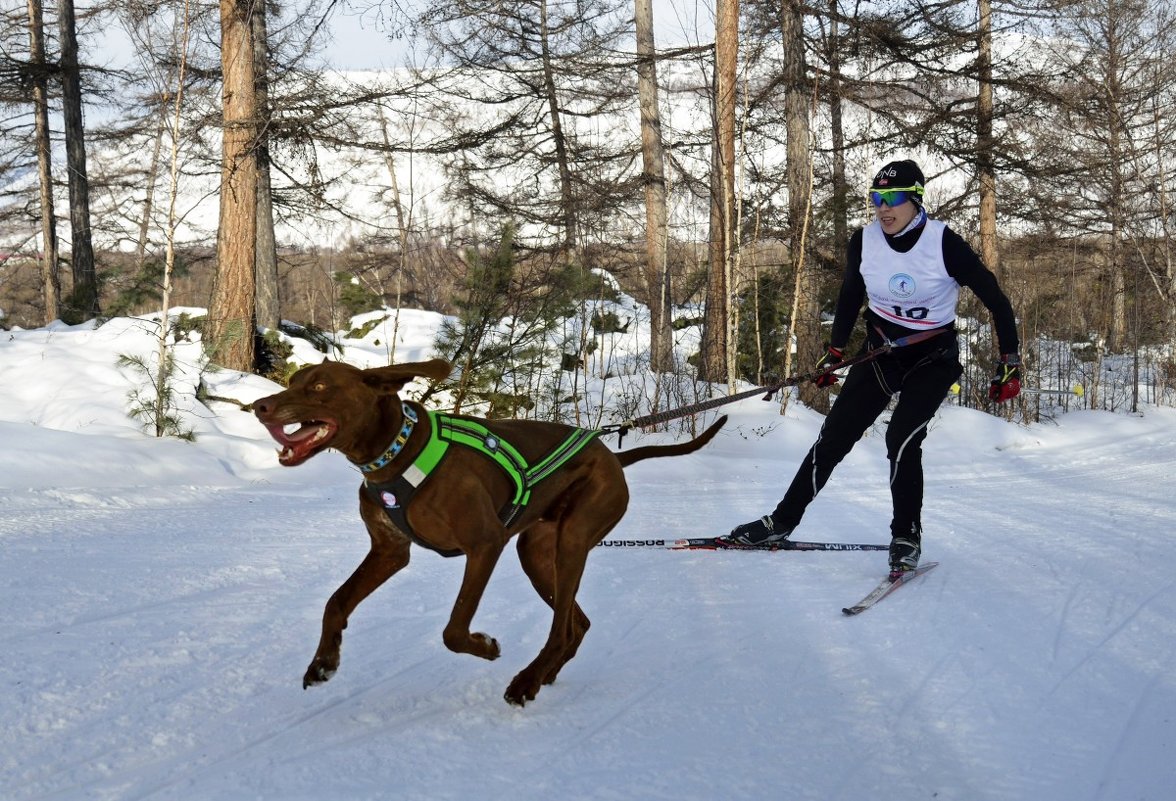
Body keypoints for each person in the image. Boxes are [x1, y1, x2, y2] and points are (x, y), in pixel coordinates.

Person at [719, 159, 1021, 577]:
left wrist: (1010, 361)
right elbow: (849, 296)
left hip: (932, 357)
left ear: (915, 200)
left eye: (892, 199)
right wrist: (835, 352)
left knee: (900, 438)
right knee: (832, 437)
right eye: (876, 199)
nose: (883, 208)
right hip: (880, 353)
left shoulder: (944, 243)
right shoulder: (864, 241)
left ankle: (906, 535)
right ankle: (781, 522)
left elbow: (997, 301)